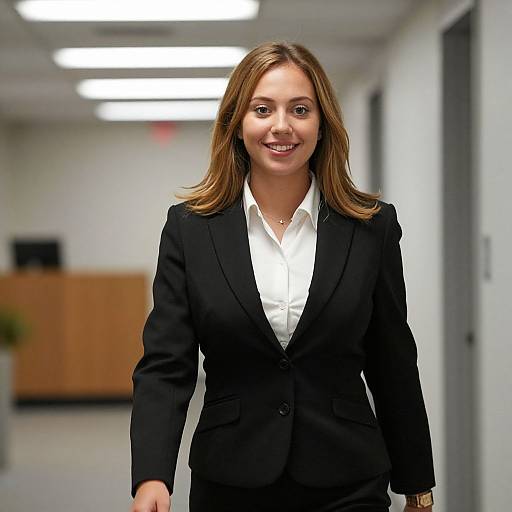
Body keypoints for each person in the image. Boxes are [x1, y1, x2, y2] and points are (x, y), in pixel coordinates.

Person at [130, 41, 436, 512]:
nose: (281, 126)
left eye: (300, 109)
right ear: (237, 123)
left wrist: (416, 480)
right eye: (262, 109)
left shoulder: (370, 227)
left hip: (347, 477)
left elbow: (392, 357)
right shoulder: (190, 229)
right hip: (231, 475)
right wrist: (152, 473)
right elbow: (166, 364)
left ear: (322, 123)